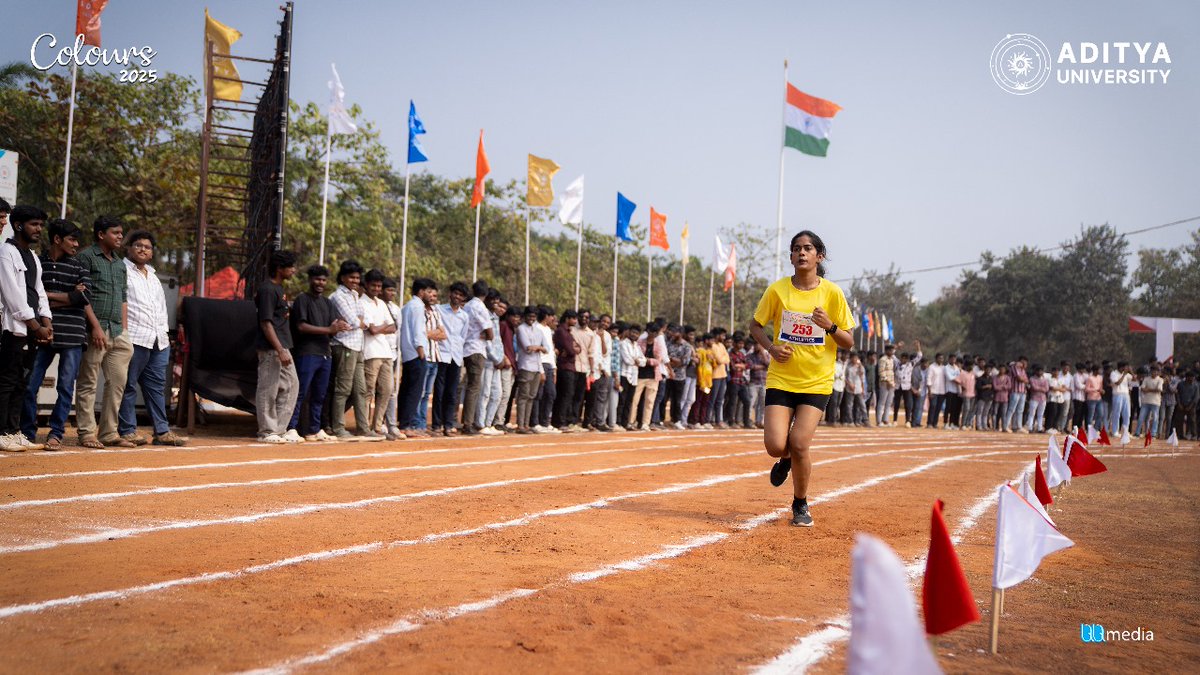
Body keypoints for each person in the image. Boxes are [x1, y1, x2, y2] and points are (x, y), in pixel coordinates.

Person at [750, 230, 855, 528]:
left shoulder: (832, 293)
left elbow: (848, 341)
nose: (802, 253)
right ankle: (784, 460)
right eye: (796, 249)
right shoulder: (778, 290)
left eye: (808, 248)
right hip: (782, 379)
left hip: (816, 383)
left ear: (819, 256)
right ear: (791, 256)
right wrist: (771, 347)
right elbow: (755, 325)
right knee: (774, 445)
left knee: (798, 442)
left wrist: (830, 326)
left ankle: (800, 503)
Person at [21, 219, 98, 450]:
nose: (76, 244)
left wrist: (48, 298)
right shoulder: (37, 262)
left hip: (73, 336)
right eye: (72, 239)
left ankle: (56, 433)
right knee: (30, 385)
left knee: (65, 387)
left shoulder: (79, 266)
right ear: (57, 239)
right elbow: (32, 298)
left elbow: (84, 298)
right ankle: (27, 431)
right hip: (42, 334)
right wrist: (67, 296)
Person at [117, 230, 185, 446]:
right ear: (128, 248)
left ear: (152, 252)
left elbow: (161, 309)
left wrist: (165, 334)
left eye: (147, 247)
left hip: (158, 340)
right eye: (138, 245)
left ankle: (162, 432)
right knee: (128, 385)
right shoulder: (121, 271)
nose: (142, 249)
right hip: (134, 338)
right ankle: (127, 430)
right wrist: (123, 334)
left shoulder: (154, 276)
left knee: (156, 387)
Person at [75, 215, 133, 448]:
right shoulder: (86, 258)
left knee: (117, 383)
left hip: (117, 331)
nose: (120, 237)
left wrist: (124, 331)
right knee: (88, 382)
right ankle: (87, 433)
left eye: (121, 233)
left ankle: (109, 433)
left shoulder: (120, 264)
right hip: (94, 330)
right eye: (115, 233)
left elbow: (123, 299)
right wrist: (96, 327)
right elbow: (82, 295)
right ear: (101, 234)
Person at [0, 205, 52, 452]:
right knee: (8, 380)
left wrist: (46, 322)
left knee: (23, 381)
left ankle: (13, 430)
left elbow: (39, 292)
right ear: (18, 225)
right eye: (34, 224)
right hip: (14, 328)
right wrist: (34, 324)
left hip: (33, 329)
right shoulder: (7, 252)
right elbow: (12, 295)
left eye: (41, 225)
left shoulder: (32, 256)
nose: (39, 229)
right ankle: (1, 432)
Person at [288, 265, 350, 442]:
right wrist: (329, 328)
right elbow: (301, 326)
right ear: (310, 280)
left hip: (325, 353)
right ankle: (291, 427)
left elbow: (332, 328)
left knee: (320, 394)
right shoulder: (302, 300)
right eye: (317, 279)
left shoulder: (327, 303)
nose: (320, 283)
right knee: (300, 392)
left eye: (323, 280)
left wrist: (339, 327)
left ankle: (314, 429)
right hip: (307, 352)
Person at [254, 251, 300, 444]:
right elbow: (266, 323)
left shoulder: (279, 289)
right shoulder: (267, 289)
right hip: (272, 347)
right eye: (290, 266)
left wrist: (284, 348)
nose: (294, 270)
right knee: (268, 387)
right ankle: (266, 431)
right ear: (279, 268)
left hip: (283, 345)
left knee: (292, 385)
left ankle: (279, 430)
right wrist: (279, 349)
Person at [327, 261, 375, 440]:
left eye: (357, 277)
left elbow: (365, 320)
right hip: (345, 345)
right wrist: (358, 322)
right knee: (343, 389)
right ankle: (338, 428)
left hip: (358, 346)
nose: (355, 280)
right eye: (351, 277)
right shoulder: (337, 296)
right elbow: (354, 321)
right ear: (342, 278)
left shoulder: (355, 295)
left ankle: (363, 428)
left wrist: (358, 322)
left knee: (361, 390)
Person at [397, 277, 438, 437]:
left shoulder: (407, 306)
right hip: (416, 354)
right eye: (428, 291)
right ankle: (407, 425)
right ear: (421, 292)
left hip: (408, 354)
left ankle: (403, 423)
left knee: (407, 389)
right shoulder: (417, 307)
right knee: (414, 391)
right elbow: (418, 332)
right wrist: (422, 352)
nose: (430, 295)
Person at [360, 269, 397, 437]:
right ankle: (365, 427)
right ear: (366, 285)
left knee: (387, 389)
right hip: (370, 352)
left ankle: (377, 426)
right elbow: (373, 329)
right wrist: (382, 327)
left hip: (386, 352)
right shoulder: (362, 302)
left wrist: (378, 327)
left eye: (379, 286)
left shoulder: (381, 303)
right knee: (369, 391)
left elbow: (394, 326)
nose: (376, 289)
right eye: (373, 285)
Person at [432, 281, 468, 436]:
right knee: (439, 391)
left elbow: (463, 336)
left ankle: (448, 424)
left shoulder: (464, 316)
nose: (457, 297)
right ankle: (436, 425)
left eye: (460, 295)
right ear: (450, 294)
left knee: (452, 392)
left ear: (463, 299)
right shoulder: (439, 310)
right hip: (442, 354)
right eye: (455, 293)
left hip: (456, 356)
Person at [460, 280, 495, 435]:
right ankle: (468, 423)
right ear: (486, 294)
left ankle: (466, 421)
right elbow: (490, 333)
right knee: (474, 387)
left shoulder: (467, 305)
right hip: (476, 349)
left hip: (465, 348)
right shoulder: (480, 307)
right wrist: (485, 335)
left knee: (469, 386)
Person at [514, 305, 550, 434]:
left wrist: (538, 348)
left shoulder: (538, 331)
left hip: (536, 367)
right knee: (523, 396)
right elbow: (527, 348)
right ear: (525, 316)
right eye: (529, 316)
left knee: (531, 396)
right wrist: (539, 348)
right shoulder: (521, 329)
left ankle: (526, 424)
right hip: (525, 366)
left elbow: (547, 349)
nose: (532, 319)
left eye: (534, 317)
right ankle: (520, 425)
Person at [1137, 365, 1164, 438]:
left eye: (1155, 371)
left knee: (1155, 418)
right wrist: (1152, 390)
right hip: (1146, 401)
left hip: (1155, 402)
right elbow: (1142, 389)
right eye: (1152, 371)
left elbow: (1159, 390)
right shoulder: (1146, 379)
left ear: (1158, 372)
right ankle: (1137, 432)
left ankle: (1153, 434)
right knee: (1141, 417)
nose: (1153, 373)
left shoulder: (1160, 380)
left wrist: (1148, 390)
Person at [1109, 362, 1133, 436]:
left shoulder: (1126, 374)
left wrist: (1131, 371)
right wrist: (1124, 375)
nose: (1125, 369)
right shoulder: (1114, 373)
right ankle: (1115, 431)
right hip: (1117, 394)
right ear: (1120, 367)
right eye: (1124, 367)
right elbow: (1117, 383)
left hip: (1126, 395)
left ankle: (1125, 431)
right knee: (1116, 413)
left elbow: (1135, 378)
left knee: (1127, 414)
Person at [876, 343, 896, 426]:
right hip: (884, 383)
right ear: (887, 350)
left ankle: (886, 419)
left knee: (889, 403)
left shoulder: (891, 360)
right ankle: (879, 420)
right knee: (882, 402)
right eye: (891, 350)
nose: (892, 352)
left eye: (893, 350)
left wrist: (892, 383)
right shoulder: (883, 359)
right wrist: (887, 382)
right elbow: (881, 372)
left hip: (891, 383)